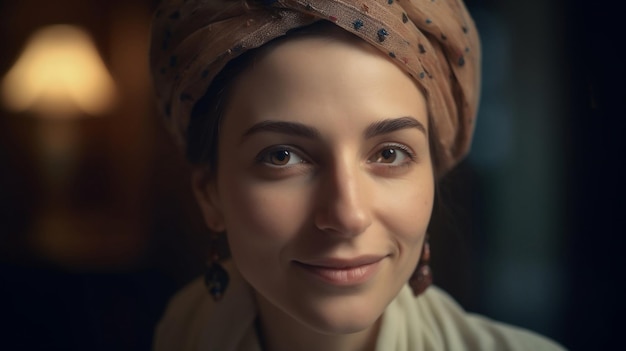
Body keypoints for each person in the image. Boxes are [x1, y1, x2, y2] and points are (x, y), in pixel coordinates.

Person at [149, 1, 566, 350]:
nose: (348, 215)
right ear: (210, 195)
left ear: (433, 177)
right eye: (282, 156)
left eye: (389, 153)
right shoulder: (177, 332)